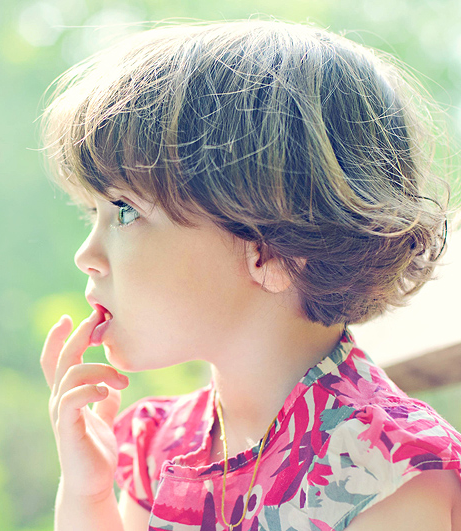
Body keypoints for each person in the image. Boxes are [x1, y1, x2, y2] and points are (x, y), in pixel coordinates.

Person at [38, 20, 461, 531]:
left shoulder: (383, 470)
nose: (86, 255)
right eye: (94, 213)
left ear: (272, 250)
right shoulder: (163, 446)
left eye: (125, 210)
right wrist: (87, 496)